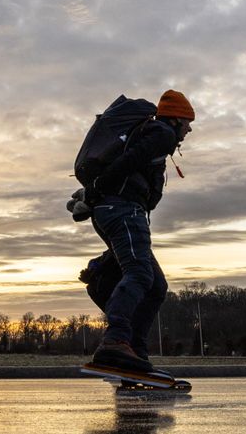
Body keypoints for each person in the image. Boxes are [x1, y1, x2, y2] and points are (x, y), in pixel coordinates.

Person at [82, 90, 194, 375]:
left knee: (156, 286)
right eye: (188, 122)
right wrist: (97, 190)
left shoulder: (155, 138)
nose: (189, 129)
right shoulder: (162, 134)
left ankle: (136, 353)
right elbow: (128, 161)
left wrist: (96, 194)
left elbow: (134, 167)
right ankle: (116, 341)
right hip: (122, 211)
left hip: (117, 211)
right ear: (177, 119)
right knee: (140, 273)